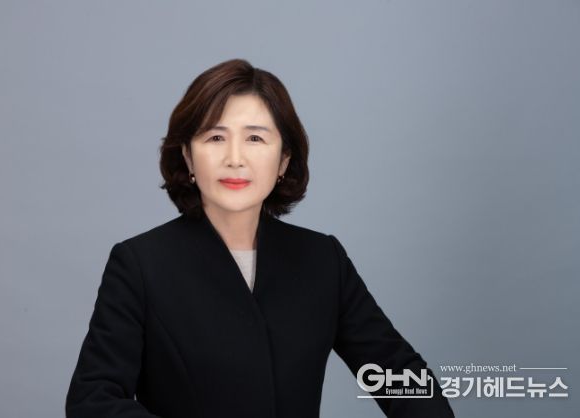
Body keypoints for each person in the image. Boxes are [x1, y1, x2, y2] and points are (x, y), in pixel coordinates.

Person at [65, 58, 455, 418]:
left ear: (284, 159)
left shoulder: (322, 260)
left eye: (255, 139)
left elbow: (400, 376)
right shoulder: (141, 264)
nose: (235, 158)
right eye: (215, 138)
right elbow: (93, 401)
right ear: (187, 157)